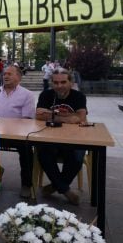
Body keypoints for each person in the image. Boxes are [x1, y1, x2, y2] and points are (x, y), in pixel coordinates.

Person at [35, 67, 88, 205]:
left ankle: (56, 186)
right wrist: (69, 117)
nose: (59, 86)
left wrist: (51, 115)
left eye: (63, 82)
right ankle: (66, 191)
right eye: (56, 83)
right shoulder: (46, 95)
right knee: (43, 152)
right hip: (49, 137)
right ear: (52, 83)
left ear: (70, 82)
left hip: (73, 138)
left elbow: (81, 119)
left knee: (77, 155)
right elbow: (38, 116)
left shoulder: (79, 96)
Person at [0, 65, 35, 198]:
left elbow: (27, 119)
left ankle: (26, 184)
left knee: (27, 149)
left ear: (18, 77)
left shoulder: (27, 94)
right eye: (4, 74)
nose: (5, 76)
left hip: (17, 134)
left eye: (10, 74)